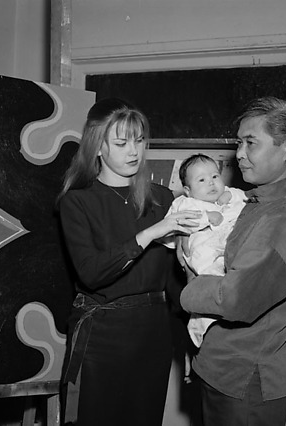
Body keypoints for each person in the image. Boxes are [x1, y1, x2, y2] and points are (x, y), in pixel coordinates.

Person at [57, 98, 199, 426]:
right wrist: (152, 232)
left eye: (138, 140)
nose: (133, 151)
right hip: (102, 334)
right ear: (97, 147)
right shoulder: (77, 202)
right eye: (121, 142)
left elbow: (174, 278)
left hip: (153, 333)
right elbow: (92, 273)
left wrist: (193, 336)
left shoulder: (161, 199)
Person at [179, 96, 286, 426]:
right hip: (224, 369)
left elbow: (237, 298)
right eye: (239, 142)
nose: (239, 154)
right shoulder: (260, 201)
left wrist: (188, 289)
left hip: (244, 381)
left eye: (251, 143)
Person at [163, 153, 246, 347]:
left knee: (228, 289)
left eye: (215, 176)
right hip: (203, 253)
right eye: (202, 180)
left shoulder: (231, 195)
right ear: (188, 190)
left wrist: (230, 195)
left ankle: (217, 321)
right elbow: (174, 223)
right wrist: (207, 217)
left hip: (227, 252)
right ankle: (200, 326)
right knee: (207, 289)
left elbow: (245, 200)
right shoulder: (185, 203)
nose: (211, 183)